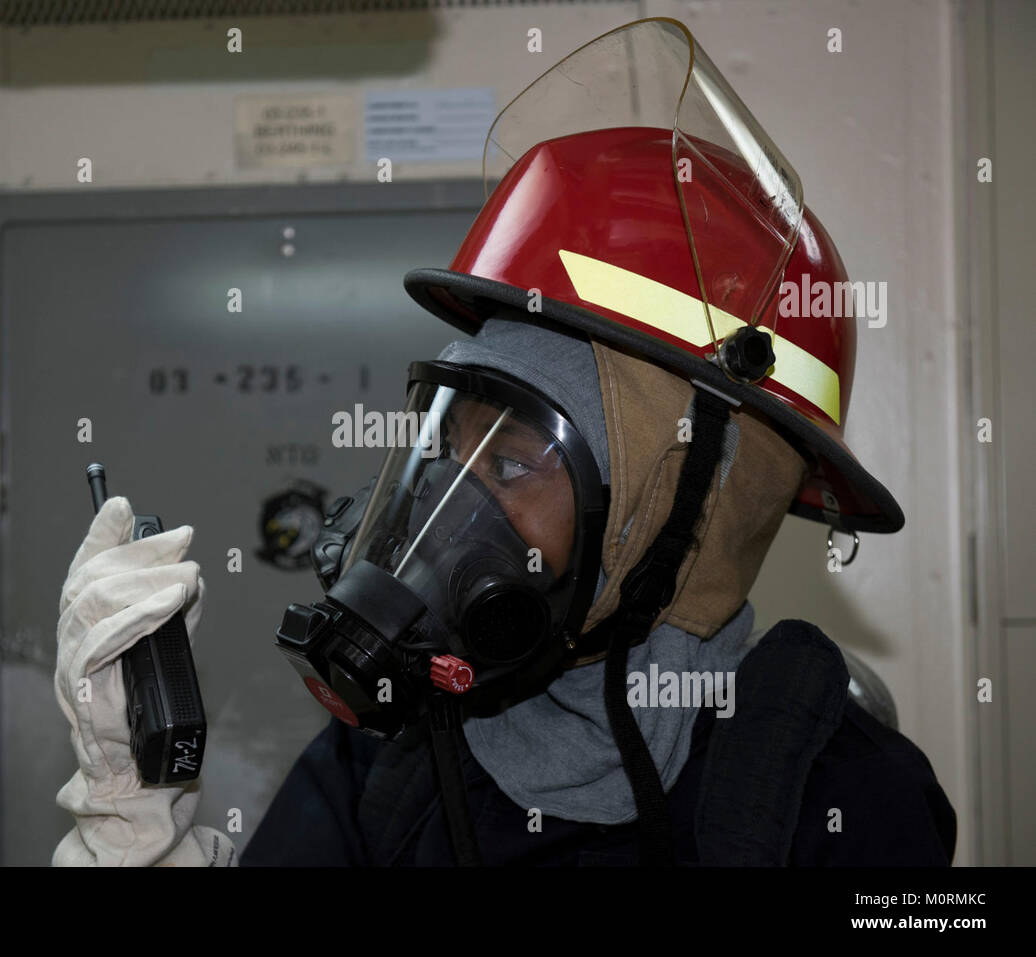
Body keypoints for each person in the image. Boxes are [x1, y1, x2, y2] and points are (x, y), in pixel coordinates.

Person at [50, 18, 956, 868]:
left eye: (517, 458)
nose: (447, 509)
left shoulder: (839, 803)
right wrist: (134, 821)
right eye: (447, 445)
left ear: (692, 515)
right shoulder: (393, 765)